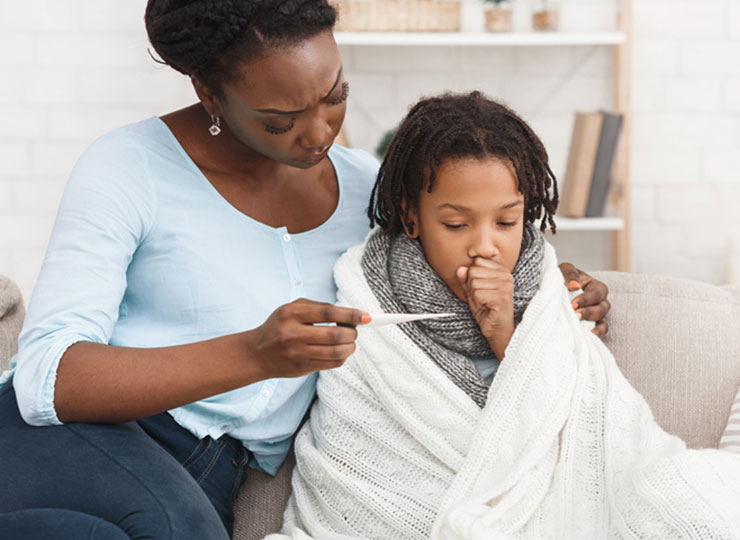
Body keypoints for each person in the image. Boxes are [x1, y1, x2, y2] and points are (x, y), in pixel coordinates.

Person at [0, 2, 610, 540]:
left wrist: (549, 289)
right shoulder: (128, 167)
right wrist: (254, 353)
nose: (318, 133)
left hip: (216, 471)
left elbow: (456, 271)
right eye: (278, 120)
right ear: (209, 94)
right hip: (81, 437)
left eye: (335, 96)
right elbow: (47, 377)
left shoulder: (372, 190)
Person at [270, 91, 740, 539]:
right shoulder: (364, 300)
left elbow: (590, 438)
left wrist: (504, 332)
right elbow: (358, 465)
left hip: (558, 514)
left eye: (506, 222)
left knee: (683, 496)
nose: (486, 245)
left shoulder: (550, 294)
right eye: (456, 224)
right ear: (411, 217)